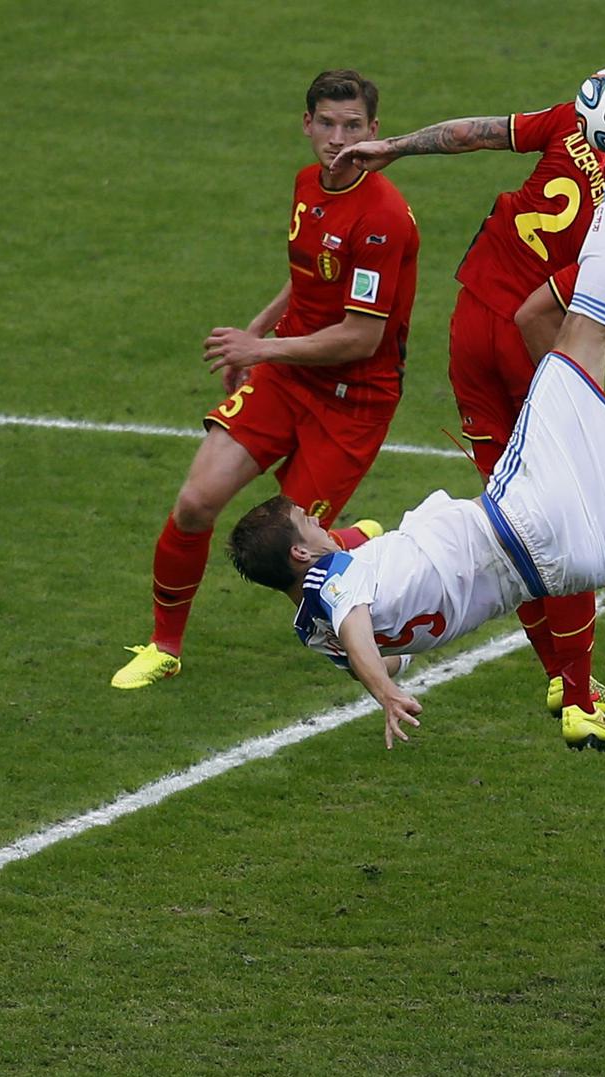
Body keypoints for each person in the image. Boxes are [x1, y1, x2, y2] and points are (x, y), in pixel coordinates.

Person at [226, 153, 605, 753]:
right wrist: (383, 690)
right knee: (581, 328)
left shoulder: (318, 630)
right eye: (308, 521)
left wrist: (378, 645)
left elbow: (378, 643)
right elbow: (356, 624)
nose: (320, 520)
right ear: (300, 553)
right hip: (525, 514)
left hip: (563, 566)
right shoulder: (333, 590)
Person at [331, 86, 605, 737]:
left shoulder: (576, 120)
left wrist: (394, 146)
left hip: (469, 324)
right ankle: (578, 699)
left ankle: (561, 678)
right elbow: (538, 312)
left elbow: (478, 132)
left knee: (507, 513)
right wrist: (567, 399)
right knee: (565, 518)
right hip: (523, 347)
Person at [111, 69, 420, 690]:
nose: (338, 139)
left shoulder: (384, 217)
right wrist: (258, 333)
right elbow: (309, 276)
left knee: (292, 558)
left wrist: (263, 347)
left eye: (352, 126)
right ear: (307, 124)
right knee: (195, 502)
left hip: (352, 401)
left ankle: (360, 559)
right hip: (287, 377)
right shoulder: (308, 184)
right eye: (327, 124)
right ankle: (164, 647)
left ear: (374, 131)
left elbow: (361, 337)